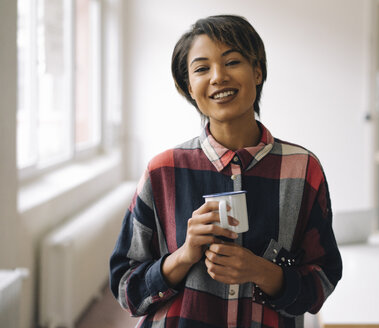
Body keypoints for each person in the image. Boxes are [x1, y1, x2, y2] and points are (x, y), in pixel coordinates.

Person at [109, 14, 342, 328]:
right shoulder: (161, 171)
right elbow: (126, 288)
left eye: (232, 62)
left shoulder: (303, 169)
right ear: (188, 87)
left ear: (257, 71)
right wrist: (184, 255)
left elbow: (322, 279)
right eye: (202, 68)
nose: (218, 77)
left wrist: (262, 271)